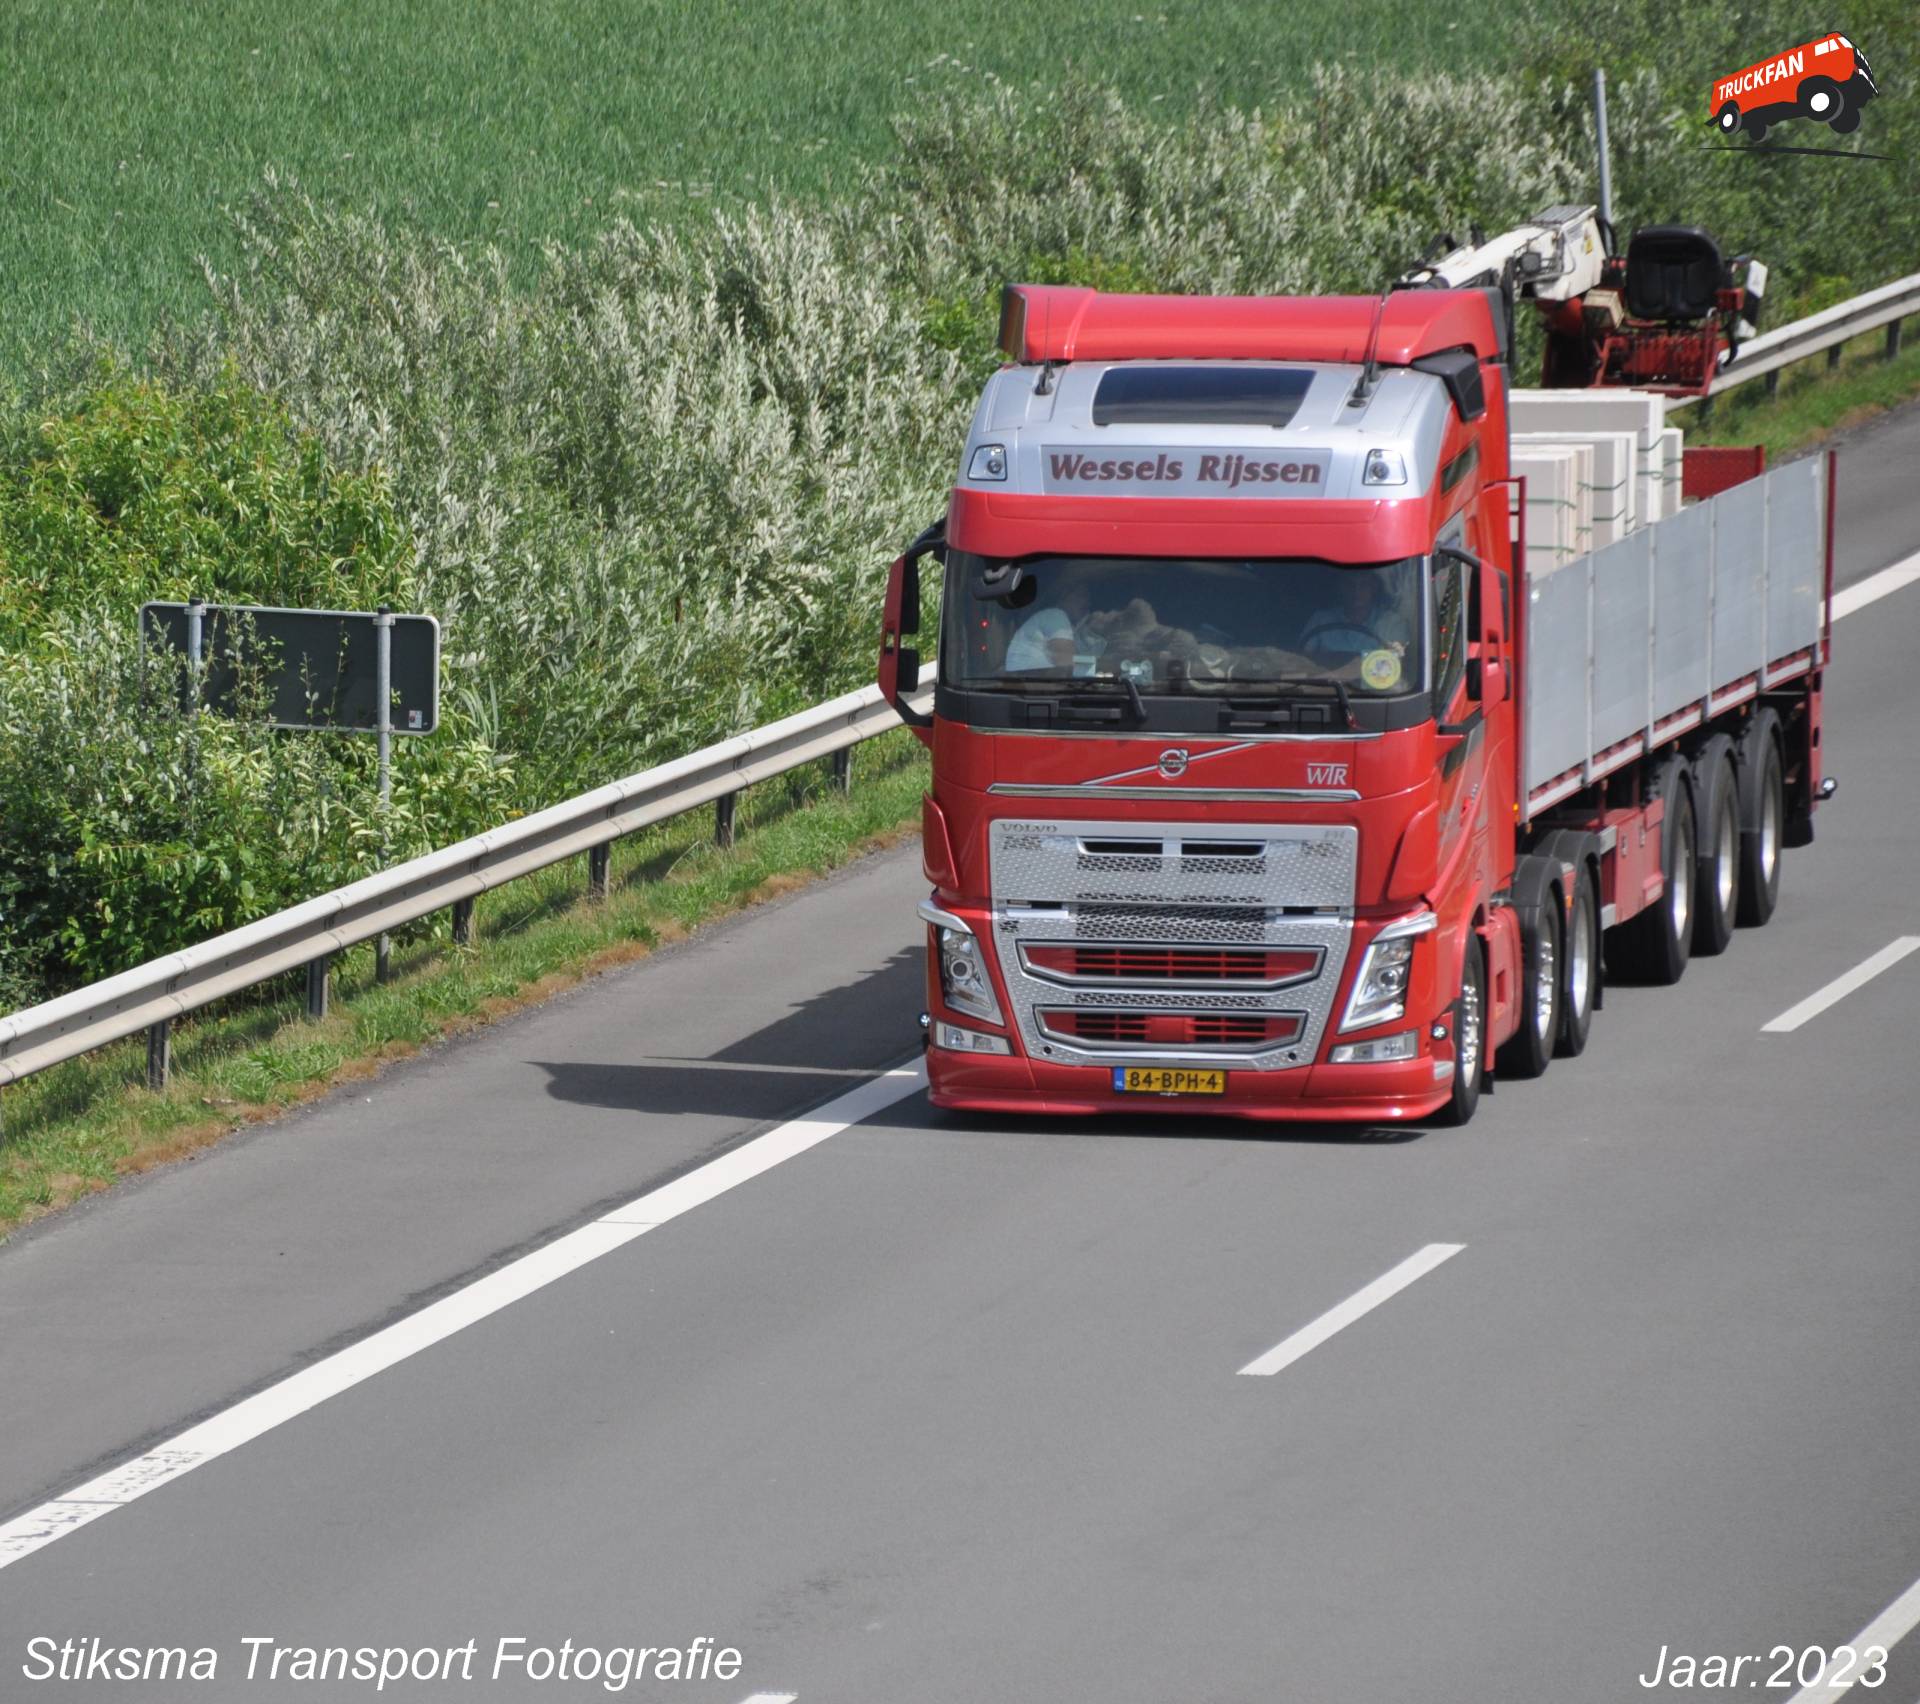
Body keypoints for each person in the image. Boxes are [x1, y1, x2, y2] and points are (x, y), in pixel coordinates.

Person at [1300, 569, 1413, 662]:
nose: (1356, 592)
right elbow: (1302, 659)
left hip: (1376, 689)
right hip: (1324, 686)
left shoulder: (1393, 623)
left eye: (1364, 585)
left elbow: (1397, 664)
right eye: (1350, 584)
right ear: (1341, 587)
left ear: (1374, 588)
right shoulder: (1321, 619)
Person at [1004, 580, 1094, 674]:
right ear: (1064, 596)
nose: (1087, 603)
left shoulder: (1052, 618)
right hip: (1030, 684)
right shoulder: (1056, 615)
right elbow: (1065, 663)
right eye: (1081, 596)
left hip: (1027, 682)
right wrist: (1103, 666)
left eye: (1088, 599)